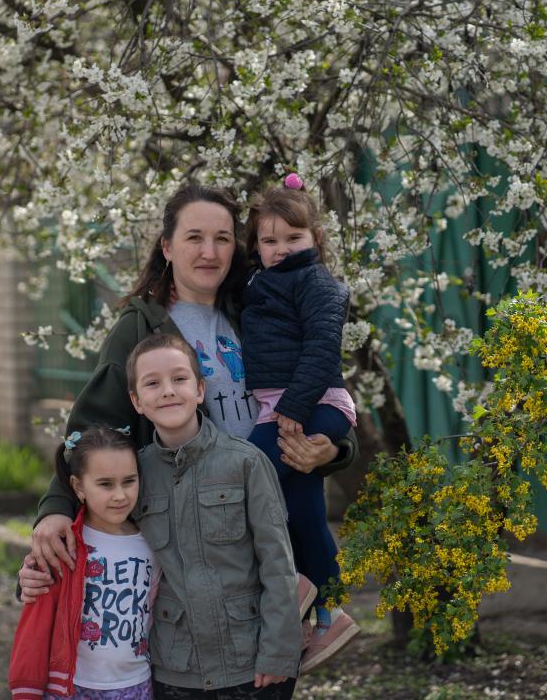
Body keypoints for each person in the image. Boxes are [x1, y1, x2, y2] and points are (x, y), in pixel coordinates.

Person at [20, 183, 359, 583]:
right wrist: (57, 506)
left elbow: (318, 378)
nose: (209, 252)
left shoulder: (258, 309)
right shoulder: (143, 327)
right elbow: (94, 429)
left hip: (273, 536)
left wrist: (334, 451)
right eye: (194, 238)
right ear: (167, 247)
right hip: (200, 542)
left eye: (222, 239)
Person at [126, 333, 300, 698]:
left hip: (249, 661)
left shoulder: (245, 463)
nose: (168, 391)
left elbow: (277, 564)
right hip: (176, 668)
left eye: (180, 378)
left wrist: (279, 653)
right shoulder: (134, 476)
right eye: (153, 383)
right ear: (137, 401)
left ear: (201, 389)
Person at [241, 175, 360, 672]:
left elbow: (320, 349)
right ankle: (325, 608)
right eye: (269, 241)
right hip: (286, 404)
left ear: (316, 239)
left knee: (246, 473)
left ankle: (293, 589)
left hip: (315, 403)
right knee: (304, 507)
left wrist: (291, 408)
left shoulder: (317, 283)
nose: (281, 249)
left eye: (293, 238)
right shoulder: (257, 281)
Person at [8, 424, 159, 700]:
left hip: (137, 685)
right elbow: (35, 625)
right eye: (105, 484)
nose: (120, 495)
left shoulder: (153, 543)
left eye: (129, 481)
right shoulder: (63, 545)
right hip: (70, 688)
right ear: (78, 487)